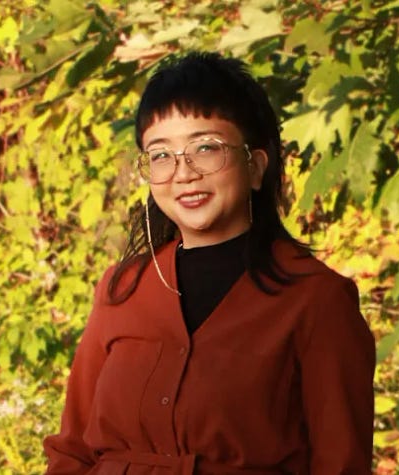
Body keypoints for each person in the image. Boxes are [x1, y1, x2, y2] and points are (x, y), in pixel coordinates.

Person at [44, 52, 376, 474]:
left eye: (205, 148)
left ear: (255, 166)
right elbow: (72, 452)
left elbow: (341, 465)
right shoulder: (122, 288)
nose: (184, 173)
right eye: (161, 155)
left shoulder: (316, 299)